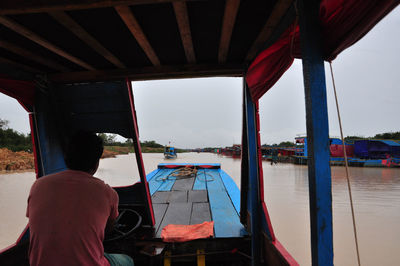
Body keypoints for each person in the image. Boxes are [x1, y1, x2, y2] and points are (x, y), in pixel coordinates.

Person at [26, 131, 134, 266]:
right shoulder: (107, 192)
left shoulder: (38, 185)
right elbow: (107, 230)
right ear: (96, 164)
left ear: (66, 158)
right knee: (127, 260)